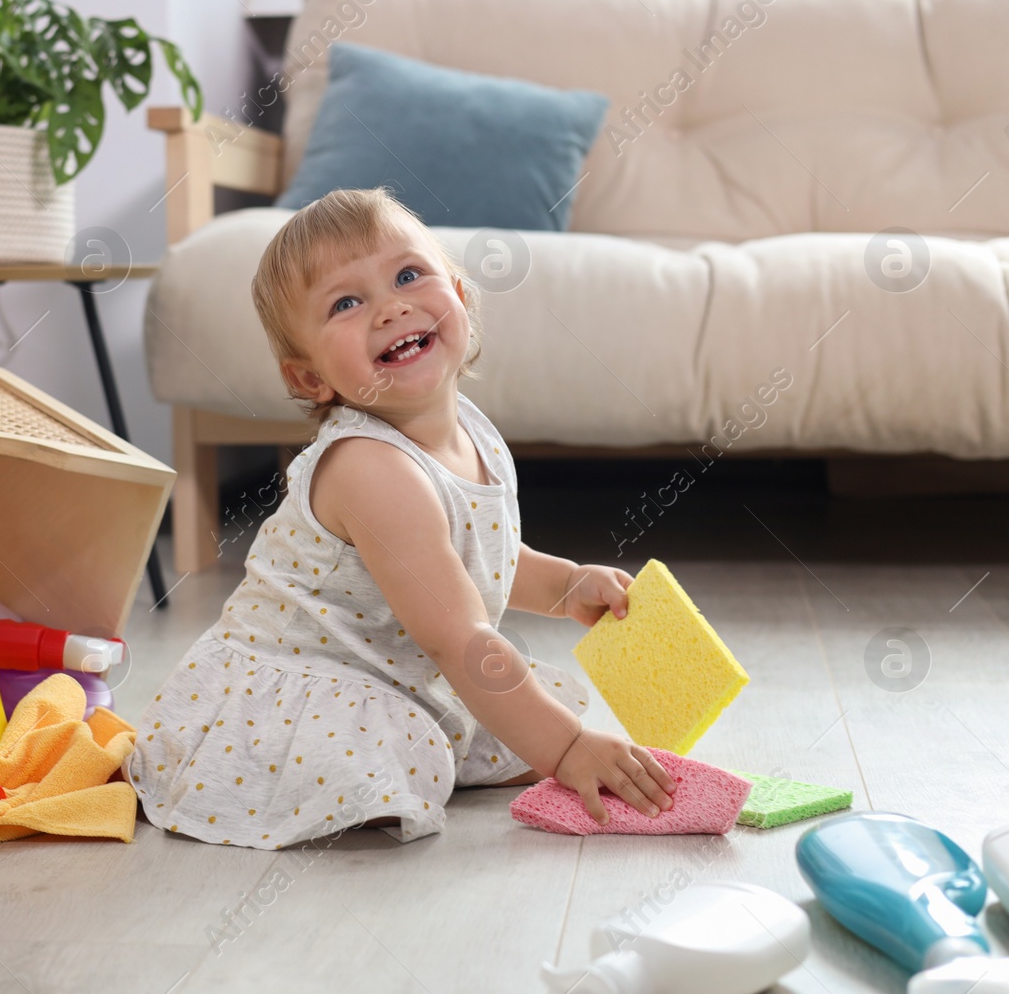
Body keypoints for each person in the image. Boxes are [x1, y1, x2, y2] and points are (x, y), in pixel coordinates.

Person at [124, 187, 675, 849]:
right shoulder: (370, 467)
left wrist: (565, 584)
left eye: (409, 275)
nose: (391, 306)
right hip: (299, 690)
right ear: (309, 379)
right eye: (346, 303)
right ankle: (306, 780)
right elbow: (459, 637)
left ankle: (422, 745)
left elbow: (480, 556)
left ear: (462, 298)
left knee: (490, 716)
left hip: (388, 673)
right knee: (423, 741)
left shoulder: (472, 430)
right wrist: (569, 748)